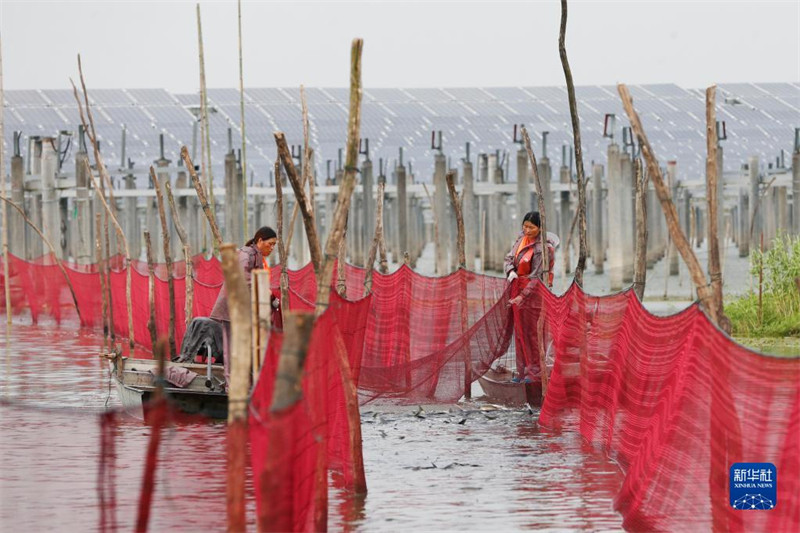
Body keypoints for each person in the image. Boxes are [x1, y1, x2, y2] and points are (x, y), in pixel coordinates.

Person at [503, 211, 559, 383]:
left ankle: (534, 373)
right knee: (520, 333)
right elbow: (508, 258)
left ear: (540, 228)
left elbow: (537, 277)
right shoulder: (521, 240)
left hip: (534, 296)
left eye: (531, 227)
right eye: (525, 226)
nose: (527, 230)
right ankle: (521, 371)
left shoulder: (543, 249)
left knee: (533, 334)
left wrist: (523, 296)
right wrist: (511, 271)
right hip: (517, 290)